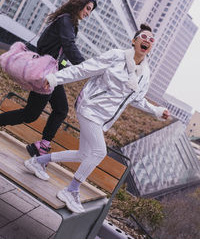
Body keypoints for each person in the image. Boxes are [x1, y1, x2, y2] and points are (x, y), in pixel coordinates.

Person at [24, 24, 170, 214]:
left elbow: (136, 100)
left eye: (151, 40)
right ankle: (72, 190)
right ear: (134, 41)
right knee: (99, 152)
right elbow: (83, 69)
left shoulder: (145, 74)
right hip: (89, 107)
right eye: (143, 37)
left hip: (102, 118)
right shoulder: (116, 56)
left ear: (151, 47)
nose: (147, 41)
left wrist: (156, 111)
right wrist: (55, 78)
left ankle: (38, 161)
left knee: (85, 154)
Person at [0, 0, 97, 157]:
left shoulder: (67, 21)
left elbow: (61, 50)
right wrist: (87, 66)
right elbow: (68, 46)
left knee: (58, 110)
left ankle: (42, 146)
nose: (88, 13)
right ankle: (41, 146)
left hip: (51, 74)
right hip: (47, 75)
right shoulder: (66, 20)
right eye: (88, 8)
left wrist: (64, 65)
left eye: (90, 10)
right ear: (79, 3)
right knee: (33, 114)